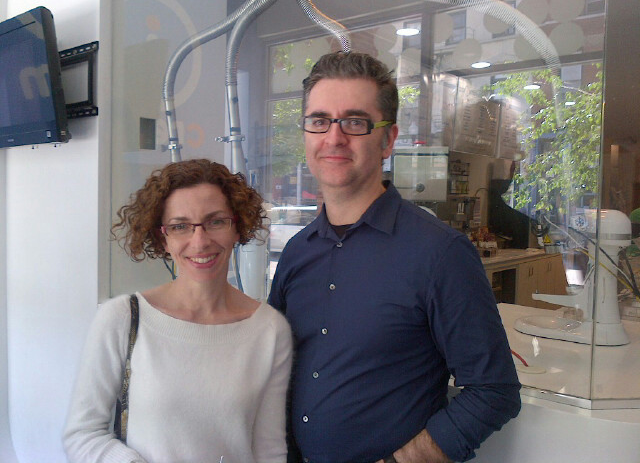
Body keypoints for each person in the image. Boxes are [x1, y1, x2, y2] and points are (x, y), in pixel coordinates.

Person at [269, 52, 521, 463]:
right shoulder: (297, 253)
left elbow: (494, 390)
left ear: (387, 140)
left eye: (355, 122)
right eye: (319, 121)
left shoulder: (440, 253)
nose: (334, 138)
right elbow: (280, 373)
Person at [64, 159, 293, 463]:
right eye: (180, 226)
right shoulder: (122, 318)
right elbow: (82, 434)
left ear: (237, 228)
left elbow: (269, 450)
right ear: (163, 238)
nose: (200, 241)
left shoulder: (269, 329)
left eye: (216, 221)